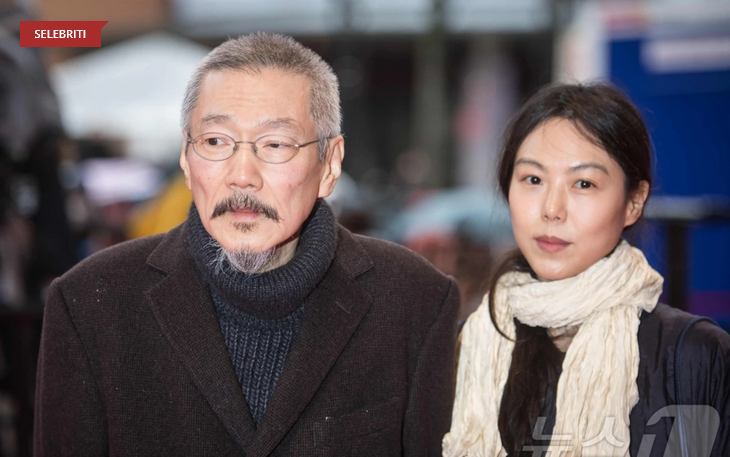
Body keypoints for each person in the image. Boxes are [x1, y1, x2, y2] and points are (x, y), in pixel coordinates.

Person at [34, 33, 459, 456]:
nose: (241, 175)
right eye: (215, 141)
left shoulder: (416, 301)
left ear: (329, 165)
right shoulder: (89, 304)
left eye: (274, 144)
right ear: (186, 158)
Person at [443, 82, 730, 456]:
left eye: (583, 183)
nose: (552, 208)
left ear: (633, 202)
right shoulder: (460, 349)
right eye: (533, 179)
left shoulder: (696, 356)